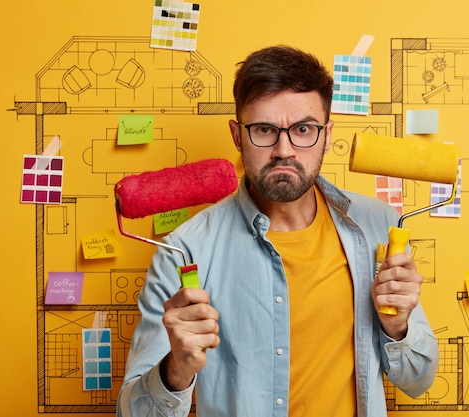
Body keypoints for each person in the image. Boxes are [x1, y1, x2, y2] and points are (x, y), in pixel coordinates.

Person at [117, 45, 439, 417]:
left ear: (327, 134)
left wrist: (397, 327)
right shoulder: (185, 251)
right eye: (264, 130)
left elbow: (418, 380)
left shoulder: (379, 227)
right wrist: (176, 368)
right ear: (237, 136)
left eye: (303, 129)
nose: (284, 150)